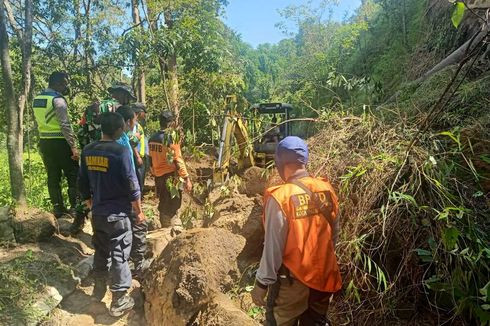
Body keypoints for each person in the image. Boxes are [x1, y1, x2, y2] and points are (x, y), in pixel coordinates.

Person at [250, 136, 342, 326]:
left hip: (291, 285)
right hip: (324, 281)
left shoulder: (280, 198)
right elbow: (334, 236)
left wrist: (261, 284)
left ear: (280, 162)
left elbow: (273, 248)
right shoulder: (327, 190)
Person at [78, 112, 144, 317]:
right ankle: (119, 300)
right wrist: (139, 212)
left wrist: (91, 204)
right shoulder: (122, 151)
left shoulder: (88, 150)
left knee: (101, 251)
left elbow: (82, 183)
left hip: (98, 214)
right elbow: (132, 185)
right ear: (118, 129)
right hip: (119, 215)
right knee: (119, 254)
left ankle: (98, 292)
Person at [32, 72, 85, 228]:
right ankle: (74, 208)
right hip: (61, 142)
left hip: (45, 142)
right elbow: (64, 125)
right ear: (58, 83)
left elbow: (38, 122)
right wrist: (73, 146)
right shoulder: (58, 100)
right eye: (64, 83)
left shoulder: (38, 99)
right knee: (72, 173)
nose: (66, 86)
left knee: (53, 175)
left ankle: (57, 207)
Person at [116, 106, 148, 278]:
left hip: (108, 198)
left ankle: (123, 263)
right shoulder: (123, 145)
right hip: (125, 195)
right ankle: (138, 265)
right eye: (134, 120)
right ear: (128, 122)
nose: (136, 122)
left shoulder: (100, 144)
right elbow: (130, 178)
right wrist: (139, 209)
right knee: (139, 223)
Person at [148, 111, 192, 233]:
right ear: (171, 123)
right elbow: (178, 159)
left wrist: (154, 172)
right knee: (174, 201)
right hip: (170, 175)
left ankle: (165, 226)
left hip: (158, 176)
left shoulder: (152, 138)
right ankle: (172, 227)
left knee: (163, 200)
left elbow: (150, 159)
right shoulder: (171, 138)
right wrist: (186, 178)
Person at [130, 103, 148, 191]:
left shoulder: (137, 125)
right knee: (138, 182)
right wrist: (137, 157)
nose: (145, 115)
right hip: (136, 158)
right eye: (144, 112)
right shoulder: (134, 125)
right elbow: (132, 142)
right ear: (140, 112)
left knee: (140, 181)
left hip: (140, 156)